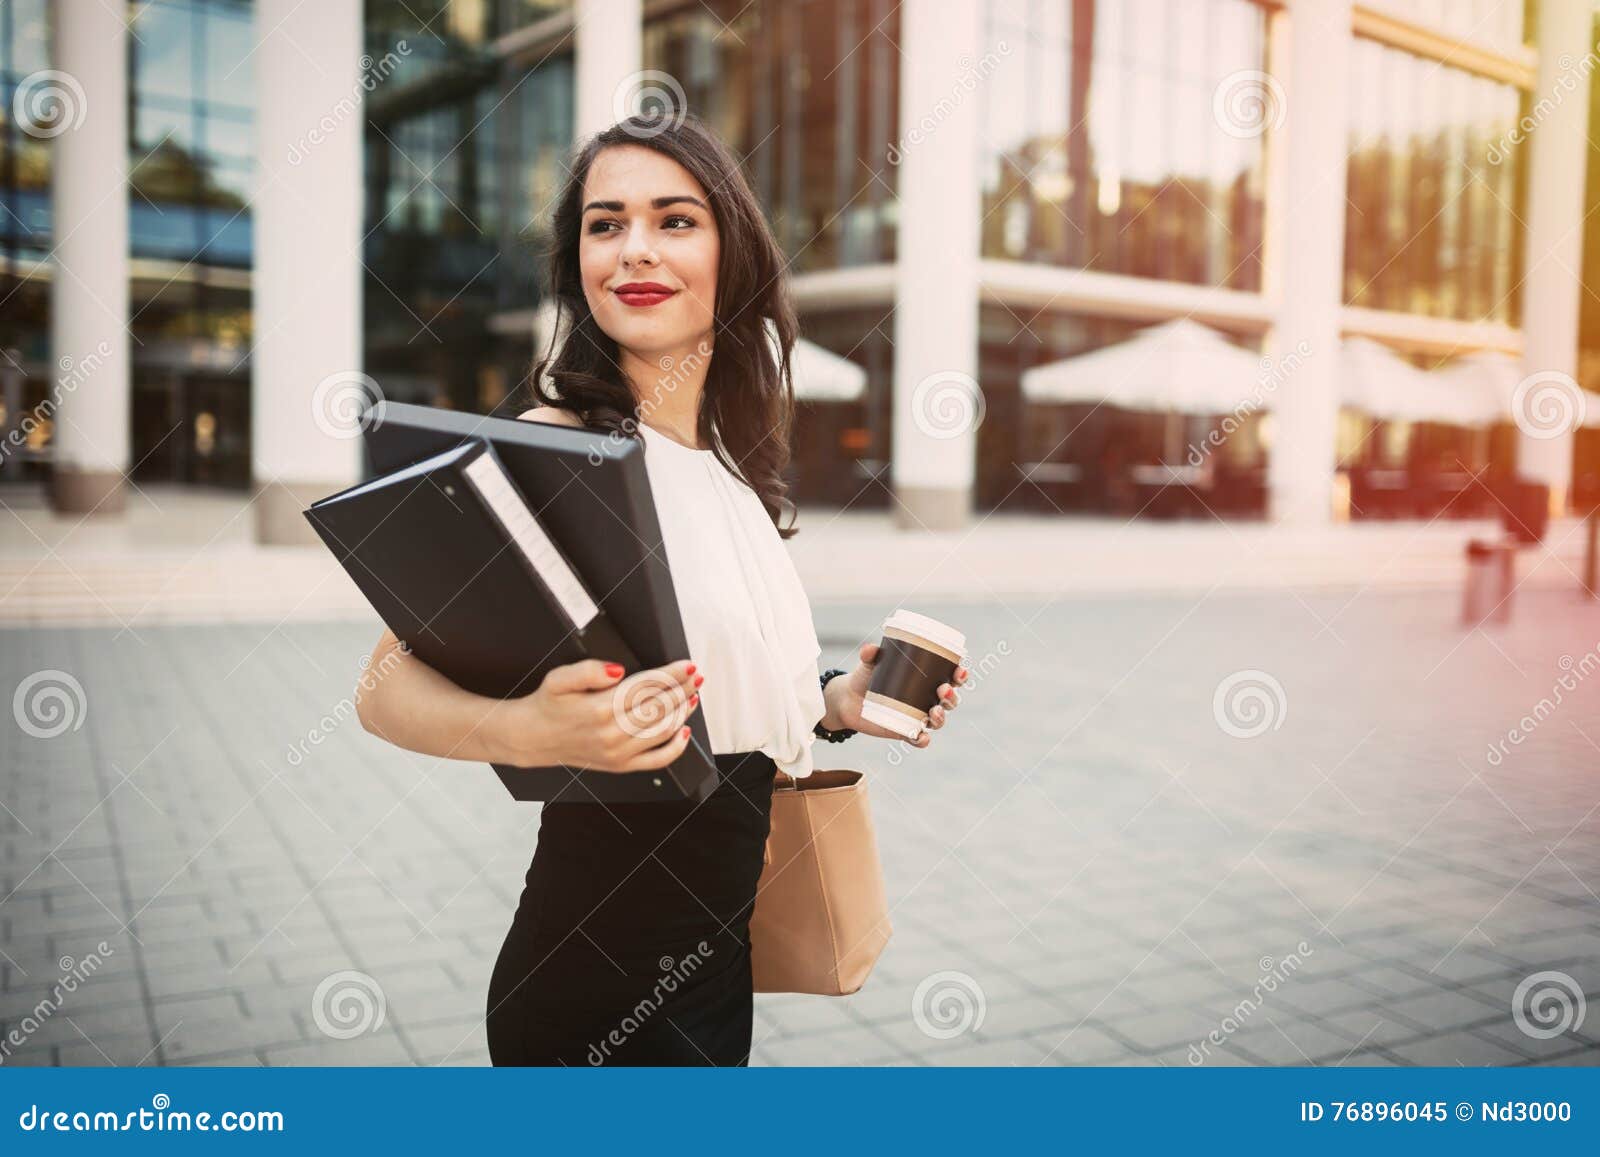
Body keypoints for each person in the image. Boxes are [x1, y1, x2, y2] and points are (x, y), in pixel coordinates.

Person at [353, 112, 969, 1066]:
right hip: (596, 981)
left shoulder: (732, 464)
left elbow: (717, 694)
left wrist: (840, 701)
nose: (633, 248)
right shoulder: (557, 439)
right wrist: (535, 733)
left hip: (719, 968)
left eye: (674, 219)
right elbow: (381, 688)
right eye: (605, 224)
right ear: (578, 261)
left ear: (735, 248)